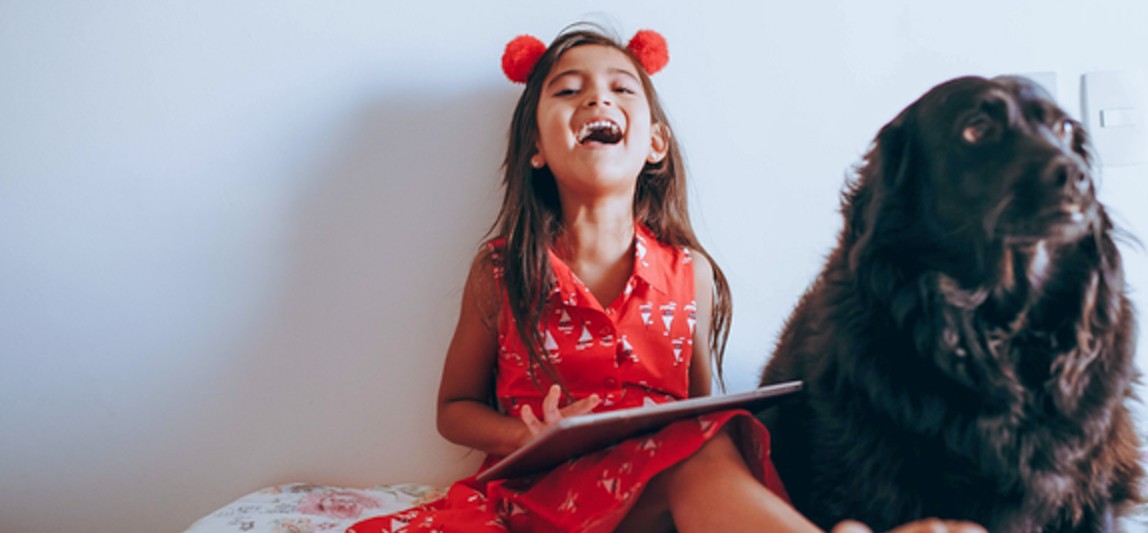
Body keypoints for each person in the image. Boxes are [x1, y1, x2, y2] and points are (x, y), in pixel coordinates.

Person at [347, 23, 984, 533]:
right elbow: (453, 410)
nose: (598, 98)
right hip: (541, 497)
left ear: (655, 143)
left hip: (657, 493)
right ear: (536, 149)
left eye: (622, 88)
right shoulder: (501, 269)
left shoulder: (691, 274)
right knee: (698, 456)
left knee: (708, 444)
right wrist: (526, 433)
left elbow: (706, 411)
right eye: (568, 90)